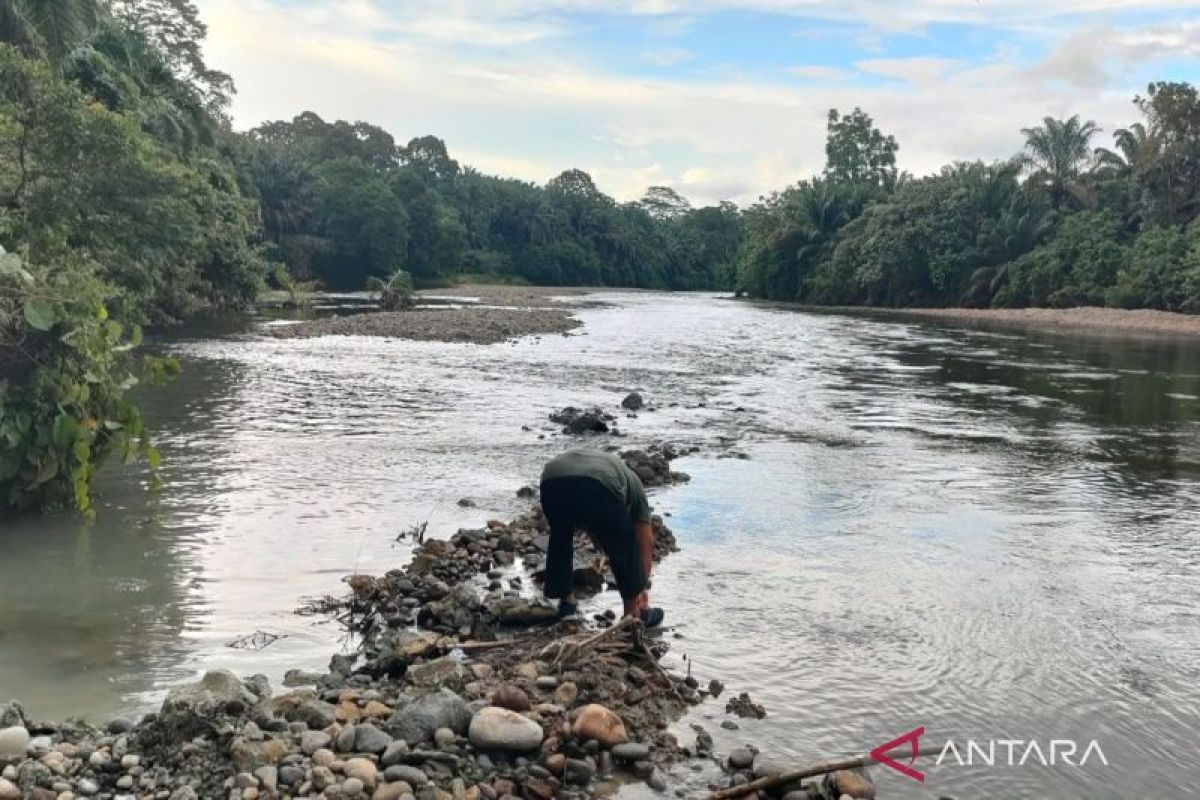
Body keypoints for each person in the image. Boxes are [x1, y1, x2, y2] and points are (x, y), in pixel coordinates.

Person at [540, 448, 665, 627]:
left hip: (552, 479)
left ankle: (567, 606)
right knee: (624, 544)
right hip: (598, 483)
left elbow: (593, 521)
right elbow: (644, 543)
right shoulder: (635, 487)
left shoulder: (615, 471)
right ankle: (633, 614)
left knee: (560, 537)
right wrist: (640, 588)